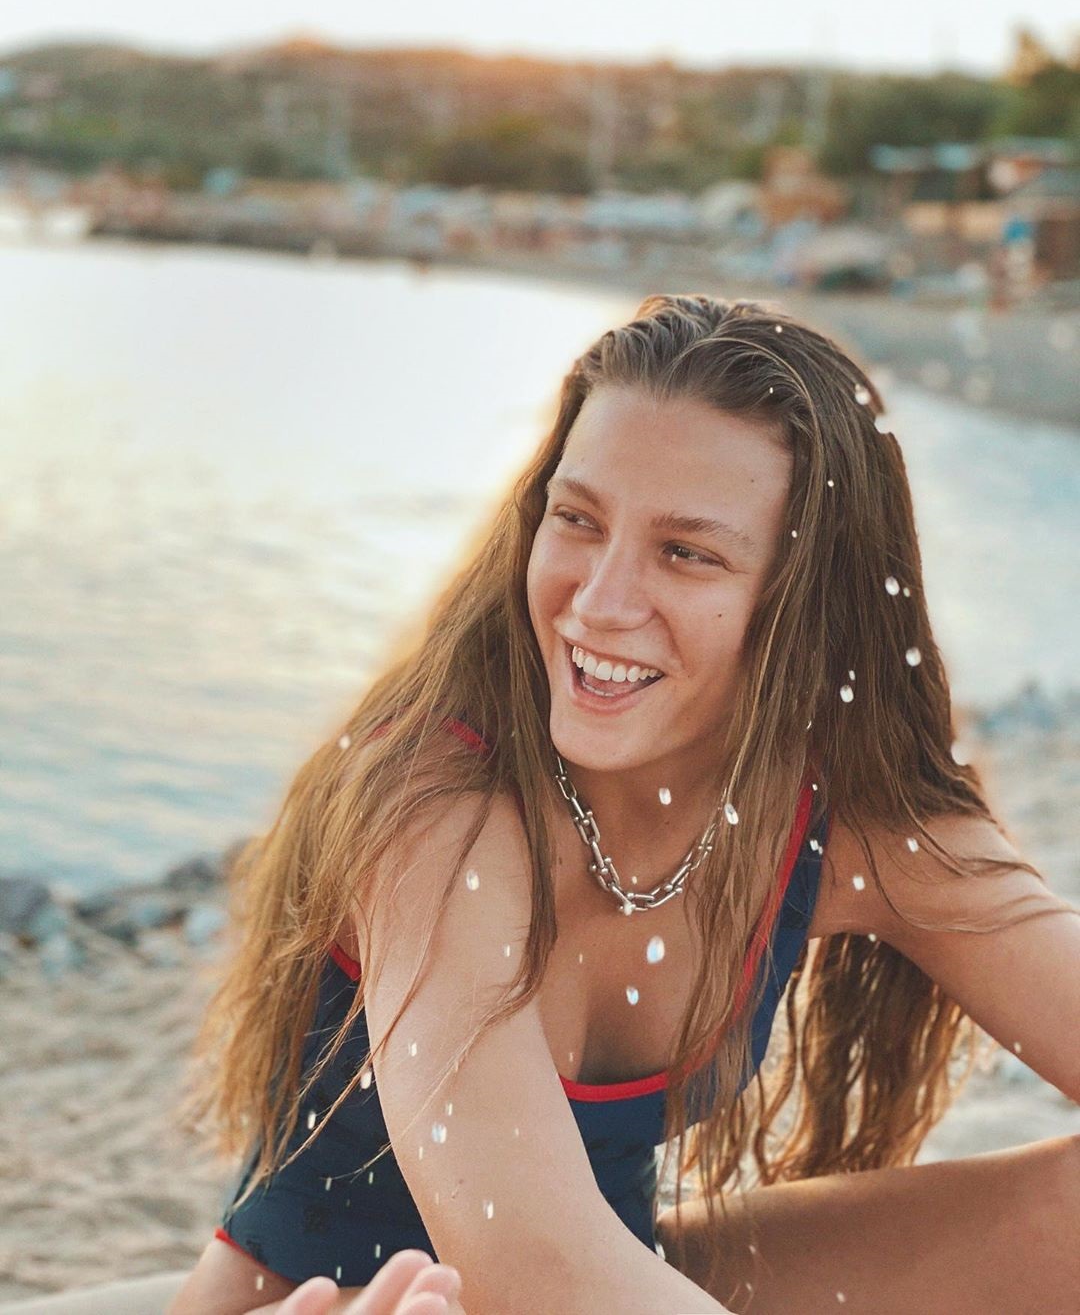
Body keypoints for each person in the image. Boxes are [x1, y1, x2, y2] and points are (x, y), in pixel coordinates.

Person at [162, 294, 1077, 1314]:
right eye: (579, 519)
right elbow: (530, 1258)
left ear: (805, 600)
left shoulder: (841, 824)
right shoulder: (436, 804)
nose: (597, 602)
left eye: (687, 552)